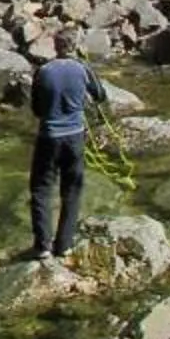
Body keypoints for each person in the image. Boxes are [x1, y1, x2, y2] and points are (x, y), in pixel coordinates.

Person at [26, 31, 109, 261]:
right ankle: (64, 245)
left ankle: (43, 246)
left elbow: (36, 110)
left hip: (48, 137)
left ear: (55, 46)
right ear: (75, 45)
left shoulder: (43, 72)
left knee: (41, 190)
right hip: (74, 138)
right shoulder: (83, 69)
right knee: (71, 190)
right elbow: (100, 95)